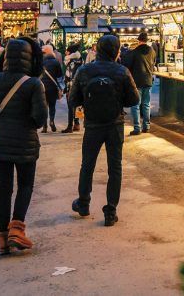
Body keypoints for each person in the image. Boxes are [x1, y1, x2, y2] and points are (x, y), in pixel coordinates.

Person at [0, 37, 48, 254]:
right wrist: (28, 123)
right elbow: (40, 118)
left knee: (3, 190)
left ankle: (3, 237)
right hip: (25, 141)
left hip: (0, 140)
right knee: (25, 185)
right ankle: (17, 228)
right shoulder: (33, 83)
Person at [68, 34, 139, 226]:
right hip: (115, 124)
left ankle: (83, 203)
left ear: (97, 50)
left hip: (92, 125)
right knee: (115, 168)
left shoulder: (84, 70)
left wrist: (88, 102)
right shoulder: (122, 71)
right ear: (117, 51)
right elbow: (134, 100)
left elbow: (72, 99)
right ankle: (110, 211)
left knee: (87, 165)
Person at [121, 31, 155, 135]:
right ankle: (147, 126)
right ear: (146, 41)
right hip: (148, 80)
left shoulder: (134, 52)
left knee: (135, 105)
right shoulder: (152, 51)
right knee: (146, 104)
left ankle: (137, 128)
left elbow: (127, 66)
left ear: (139, 41)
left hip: (137, 81)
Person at [39, 45, 63, 133]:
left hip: (42, 86)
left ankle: (44, 126)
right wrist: (61, 88)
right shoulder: (56, 62)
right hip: (52, 86)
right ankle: (52, 122)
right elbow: (60, 76)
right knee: (52, 106)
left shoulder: (41, 62)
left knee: (44, 106)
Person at [61, 43, 83, 134]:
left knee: (70, 106)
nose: (66, 53)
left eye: (67, 51)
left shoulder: (70, 61)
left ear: (71, 52)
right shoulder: (81, 60)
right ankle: (77, 124)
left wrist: (66, 86)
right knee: (77, 105)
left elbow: (68, 75)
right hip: (79, 85)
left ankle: (70, 126)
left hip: (71, 85)